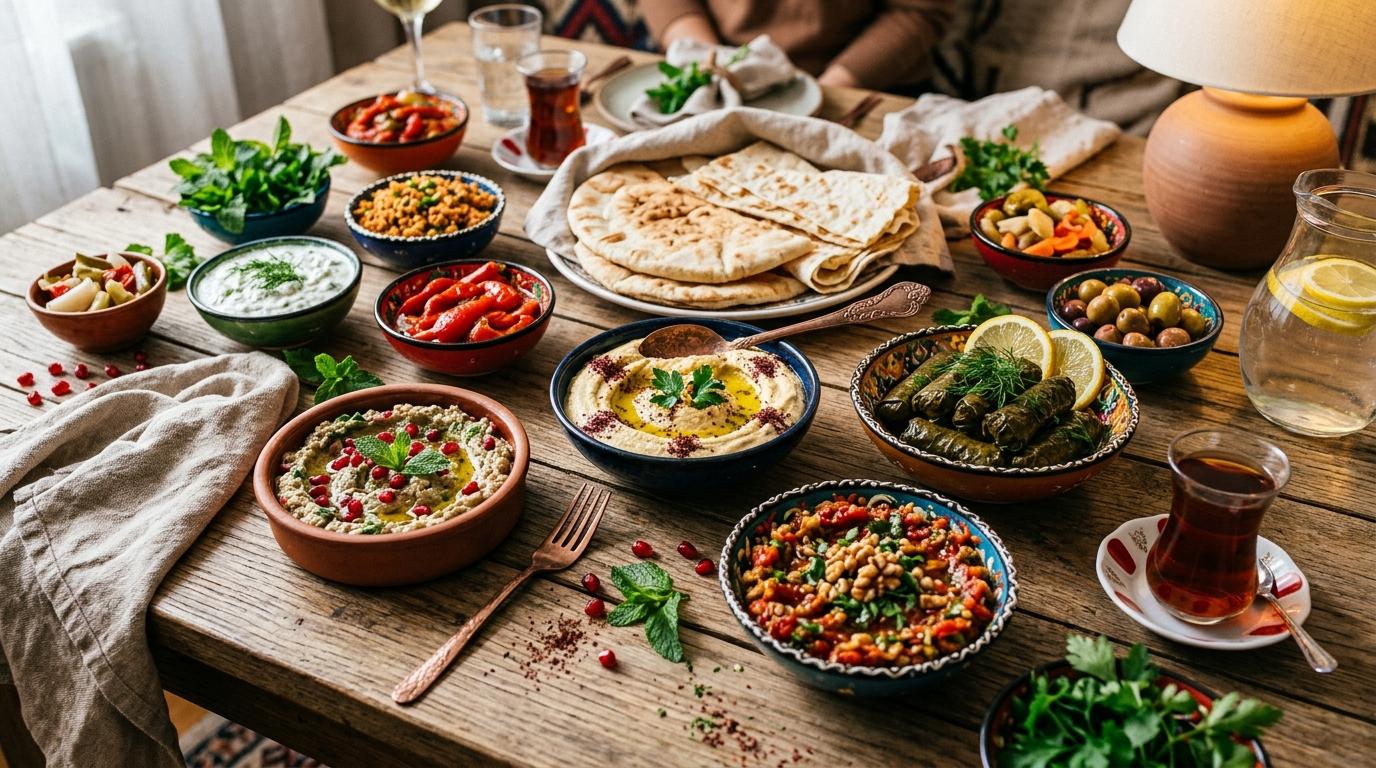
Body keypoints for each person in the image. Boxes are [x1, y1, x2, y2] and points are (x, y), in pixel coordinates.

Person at [640, 0, 954, 93]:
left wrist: (825, 91)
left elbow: (920, 11)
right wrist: (710, 70)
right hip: (713, 64)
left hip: (852, 82)